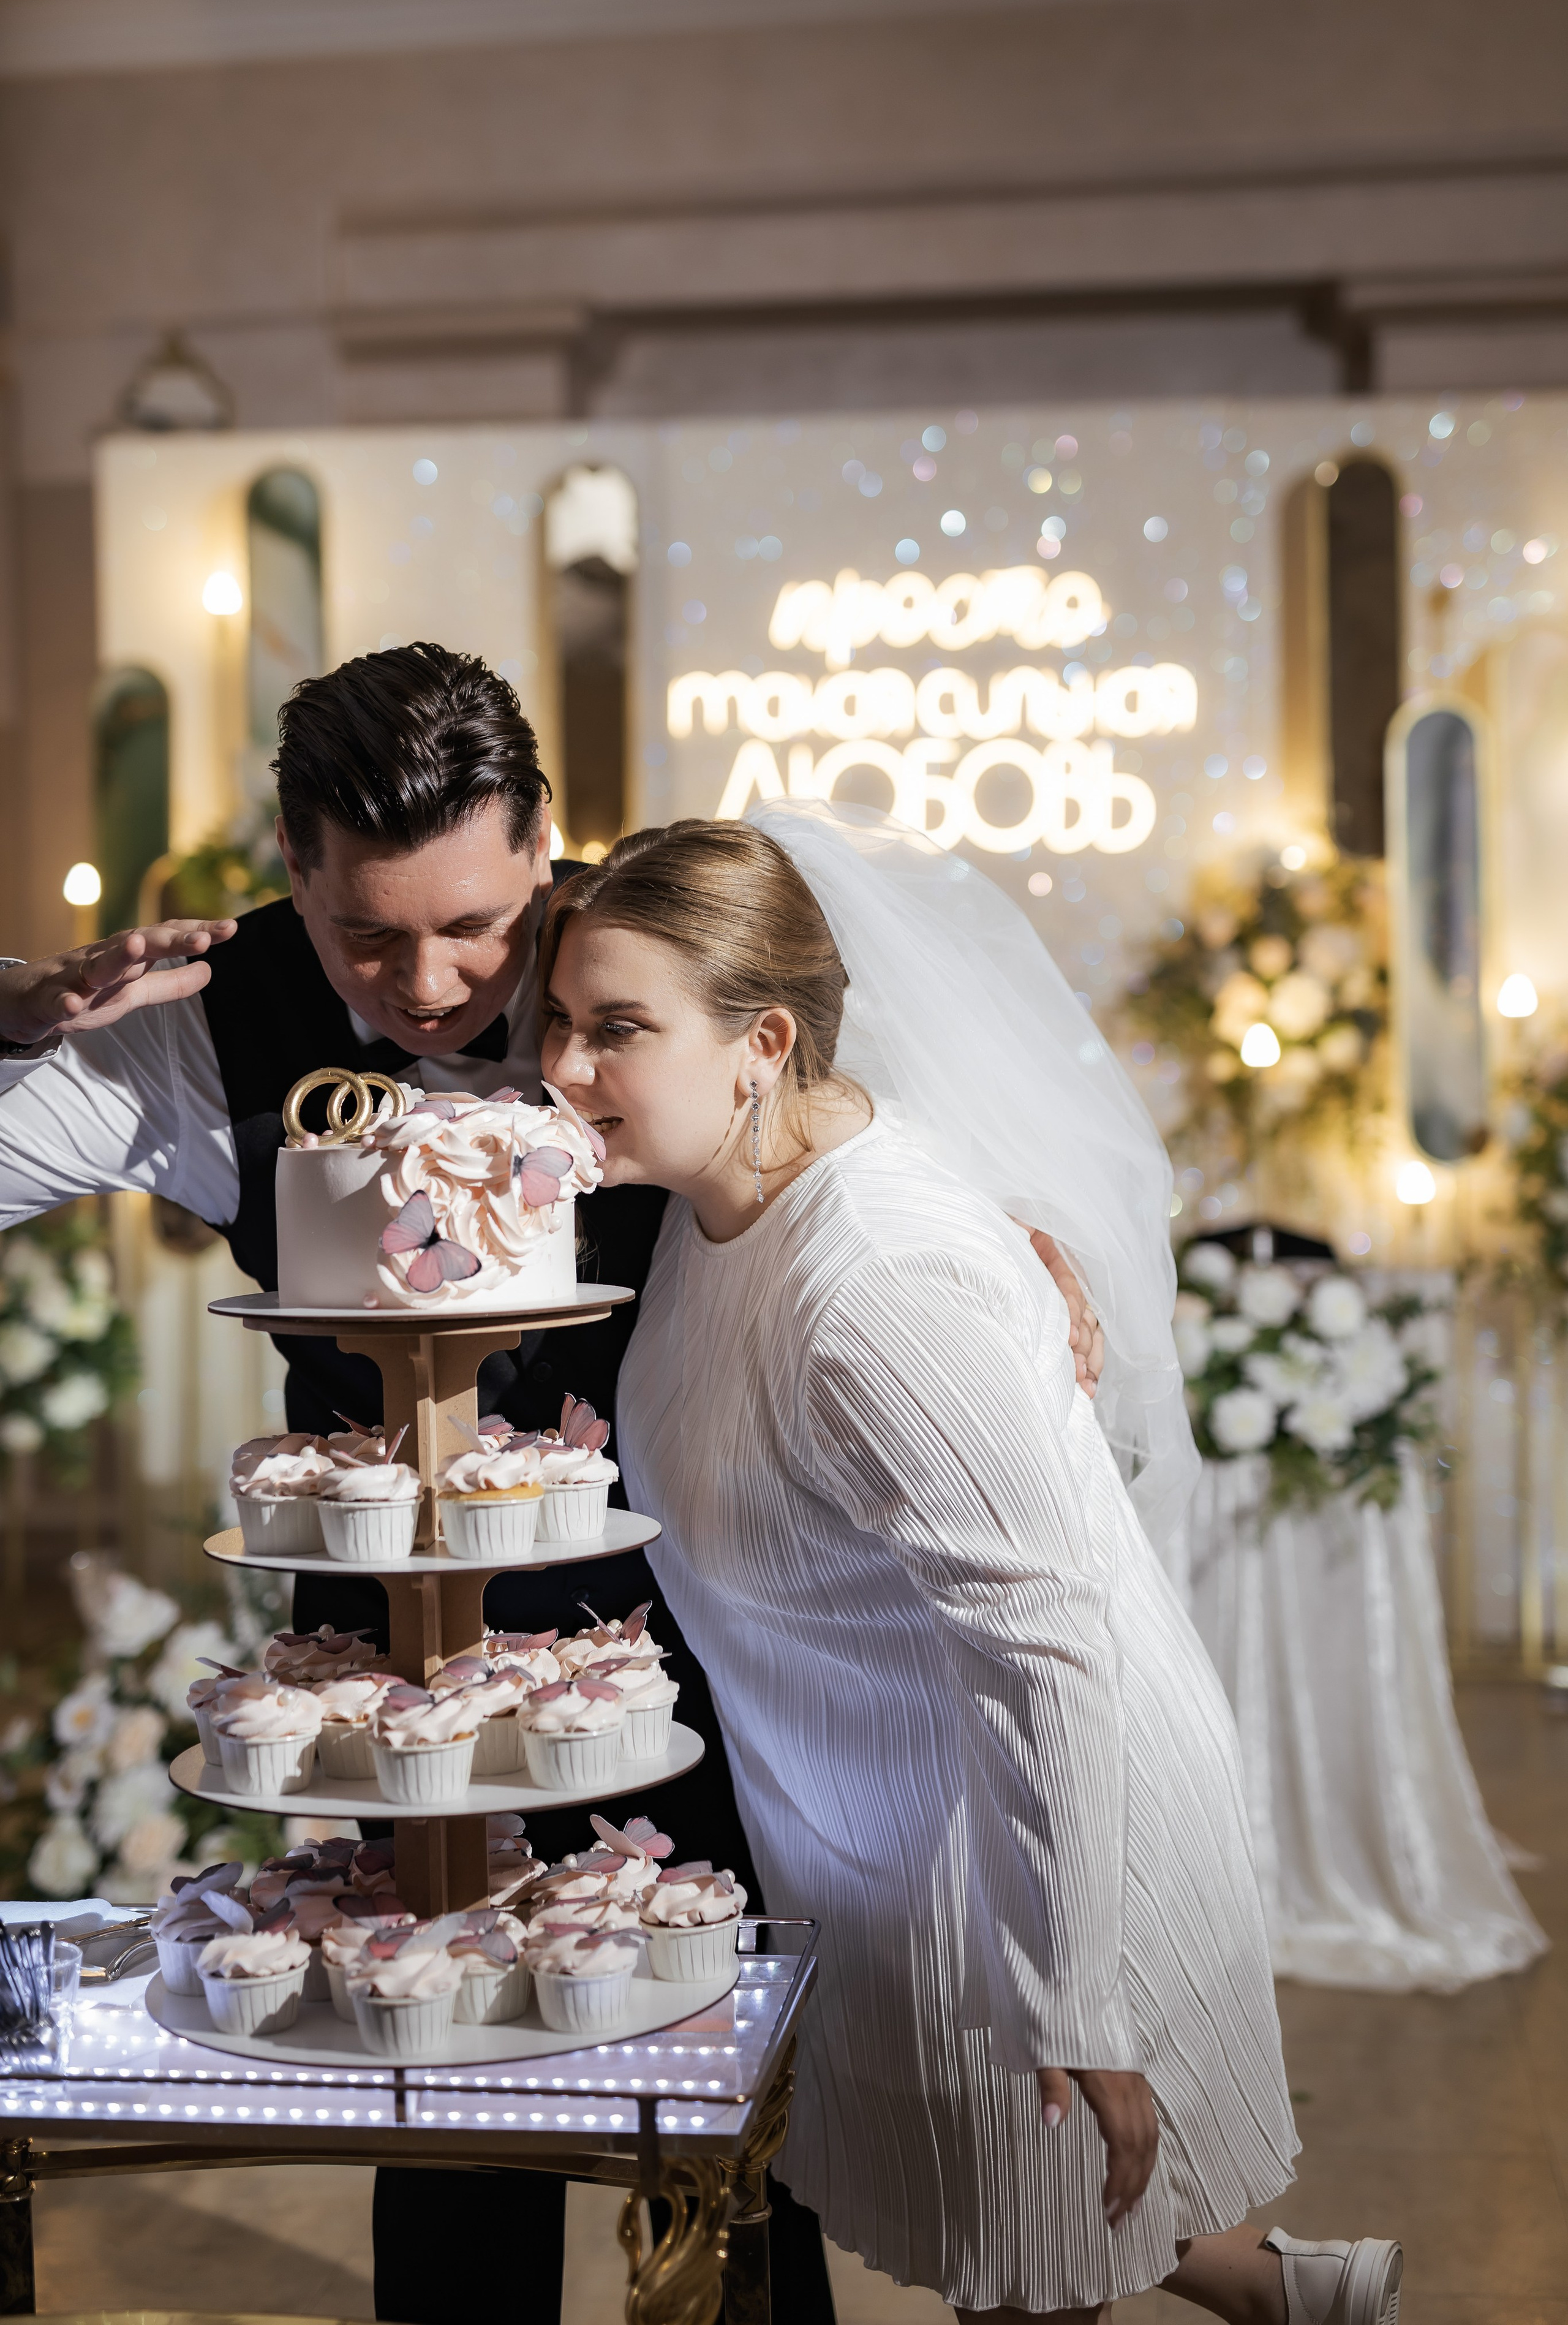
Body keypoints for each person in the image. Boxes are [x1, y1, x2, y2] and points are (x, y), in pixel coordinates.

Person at [0, 643, 1101, 2324]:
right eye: (366, 935)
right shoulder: (206, 1027)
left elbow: (856, 1121)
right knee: (442, 2081)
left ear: (541, 847)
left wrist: (1012, 1234)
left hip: (693, 1611)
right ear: (292, 865)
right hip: (398, 1652)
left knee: (726, 2074)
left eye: (474, 925)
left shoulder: (653, 949)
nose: (427, 982)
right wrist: (7, 1009)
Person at [533, 807, 1405, 2325]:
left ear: (762, 1044)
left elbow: (1045, 1643)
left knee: (1034, 2264)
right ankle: (1314, 2305)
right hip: (872, 1824)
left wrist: (1075, 1989)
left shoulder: (877, 1279)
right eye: (557, 1020)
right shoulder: (706, 1194)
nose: (558, 1067)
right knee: (1015, 2237)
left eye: (615, 1029)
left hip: (1019, 1850)